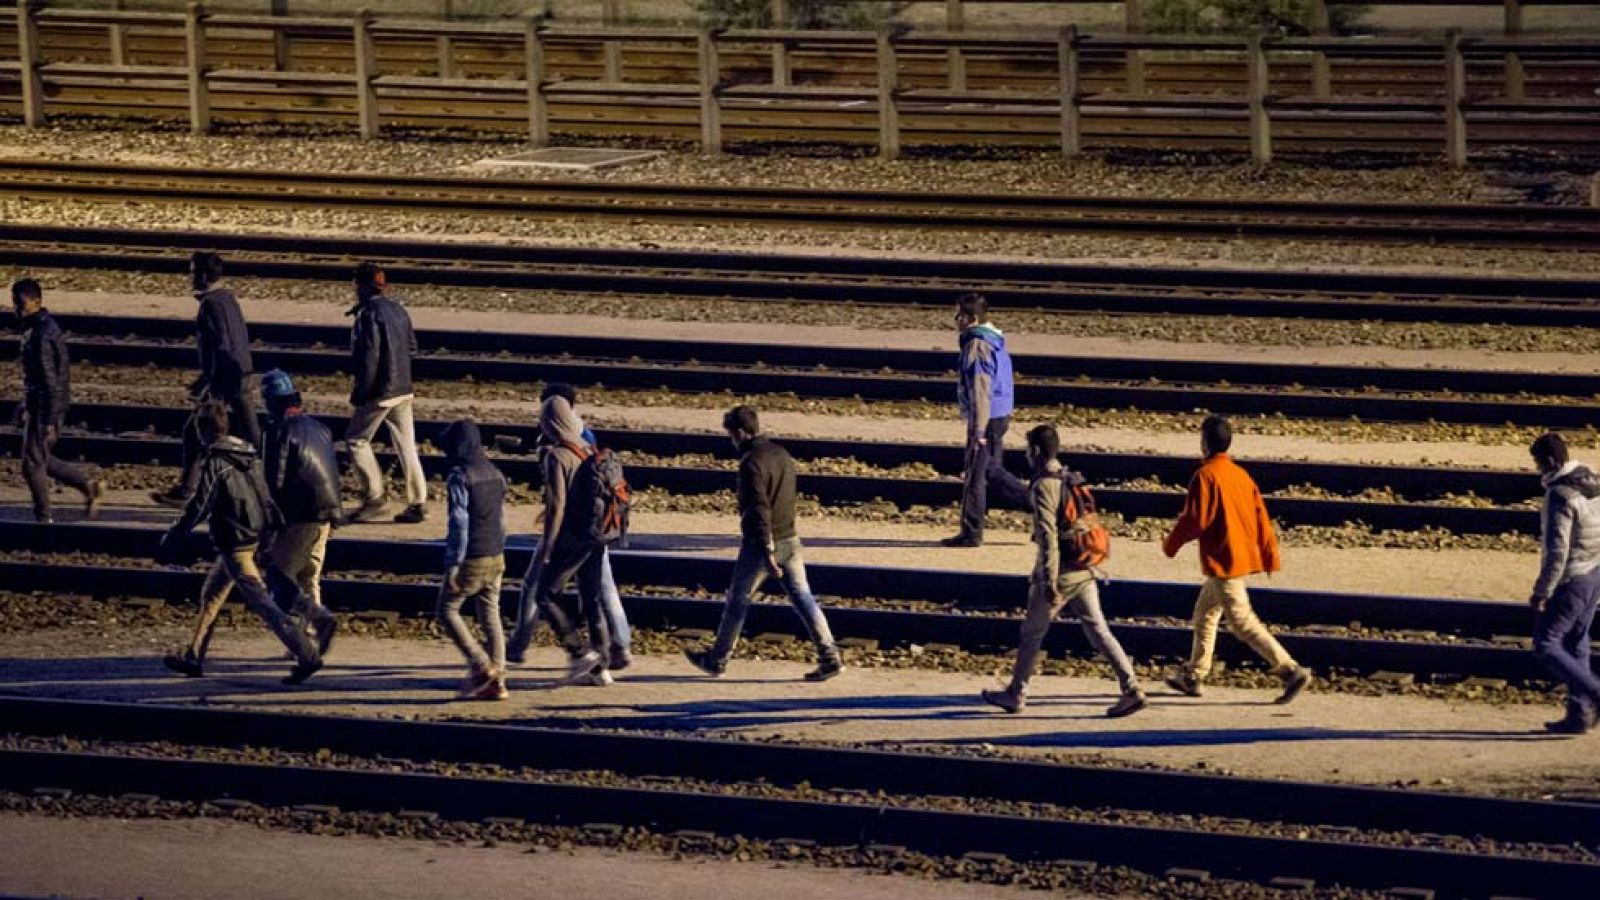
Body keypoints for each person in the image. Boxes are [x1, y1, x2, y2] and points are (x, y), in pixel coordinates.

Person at [982, 424, 1146, 717]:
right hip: (1085, 565)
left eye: (1027, 450)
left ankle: (1016, 694)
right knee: (1098, 630)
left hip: (1064, 570)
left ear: (1034, 451)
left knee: (1031, 633)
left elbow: (1048, 537)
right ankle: (1131, 688)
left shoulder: (1045, 485)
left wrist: (1048, 579)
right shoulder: (1070, 476)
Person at [158, 398, 321, 684]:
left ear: (202, 430)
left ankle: (306, 654)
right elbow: (266, 497)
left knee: (263, 604)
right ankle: (193, 656)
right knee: (211, 595)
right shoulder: (249, 455)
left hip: (235, 543)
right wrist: (269, 535)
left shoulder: (217, 461)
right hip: (251, 537)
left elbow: (202, 502)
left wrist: (177, 531)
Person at [685, 405, 842, 681]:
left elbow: (758, 509)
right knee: (802, 597)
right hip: (790, 538)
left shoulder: (751, 463)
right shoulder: (781, 454)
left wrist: (767, 549)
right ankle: (829, 657)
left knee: (738, 600)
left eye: (731, 434)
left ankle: (717, 660)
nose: (731, 440)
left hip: (761, 544)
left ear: (742, 433)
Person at [1161, 415, 1311, 704]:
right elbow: (1261, 517)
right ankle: (1194, 675)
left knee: (1241, 621)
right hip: (1236, 557)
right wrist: (1268, 554)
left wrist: (1171, 544)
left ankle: (1290, 670)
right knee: (1205, 613)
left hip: (1223, 561)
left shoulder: (1205, 476)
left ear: (1204, 443)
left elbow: (1195, 520)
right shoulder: (1241, 475)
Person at [506, 389, 614, 686]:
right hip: (597, 534)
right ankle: (601, 665)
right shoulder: (588, 448)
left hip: (573, 535)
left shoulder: (557, 456)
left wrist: (548, 548)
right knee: (592, 598)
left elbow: (557, 507)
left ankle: (579, 653)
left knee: (544, 594)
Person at [153, 252, 260, 508]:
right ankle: (188, 489)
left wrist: (210, 382)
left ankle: (191, 491)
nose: (189, 277)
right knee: (245, 433)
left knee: (204, 431)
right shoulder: (227, 298)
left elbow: (222, 345)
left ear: (202, 275)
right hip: (237, 373)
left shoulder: (211, 304)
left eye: (191, 272)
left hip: (227, 377)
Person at [258, 369, 339, 657]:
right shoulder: (320, 428)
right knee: (309, 574)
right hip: (328, 512)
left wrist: (268, 526)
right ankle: (307, 638)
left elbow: (273, 484)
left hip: (301, 515)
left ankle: (316, 623)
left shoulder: (278, 431)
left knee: (280, 578)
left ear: (271, 403)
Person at [11, 278, 102, 523]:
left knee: (32, 464)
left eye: (21, 305)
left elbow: (49, 381)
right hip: (43, 405)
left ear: (37, 302)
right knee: (42, 460)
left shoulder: (40, 336)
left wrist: (48, 419)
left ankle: (44, 519)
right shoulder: (43, 327)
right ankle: (88, 487)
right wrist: (25, 403)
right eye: (14, 305)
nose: (17, 310)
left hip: (44, 409)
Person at [1527, 432, 1600, 735]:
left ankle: (1595, 693)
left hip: (1574, 577)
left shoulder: (1559, 494)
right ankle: (1579, 715)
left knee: (1546, 643)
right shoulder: (1593, 482)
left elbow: (1558, 551)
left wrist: (1541, 591)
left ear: (1550, 461)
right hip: (1596, 572)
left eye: (1538, 463)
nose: (1537, 469)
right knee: (1576, 643)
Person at [943, 292, 1029, 548]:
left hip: (987, 416)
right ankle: (1044, 506)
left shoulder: (977, 344)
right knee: (990, 471)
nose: (955, 320)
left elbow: (981, 388)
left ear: (969, 318)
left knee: (976, 475)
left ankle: (972, 532)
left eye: (958, 315)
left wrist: (978, 429)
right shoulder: (994, 339)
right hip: (998, 413)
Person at [345, 261, 427, 524]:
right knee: (406, 445)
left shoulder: (367, 314)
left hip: (380, 390)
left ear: (362, 286)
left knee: (356, 441)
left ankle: (375, 498)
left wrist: (361, 392)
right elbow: (412, 348)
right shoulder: (399, 310)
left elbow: (369, 358)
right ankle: (418, 502)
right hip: (404, 388)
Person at [436, 418, 510, 701]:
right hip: (496, 554)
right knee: (491, 615)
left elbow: (459, 522)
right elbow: (501, 521)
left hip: (472, 557)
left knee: (447, 610)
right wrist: (499, 547)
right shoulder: (495, 473)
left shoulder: (460, 474)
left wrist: (453, 563)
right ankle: (498, 680)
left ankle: (481, 665)